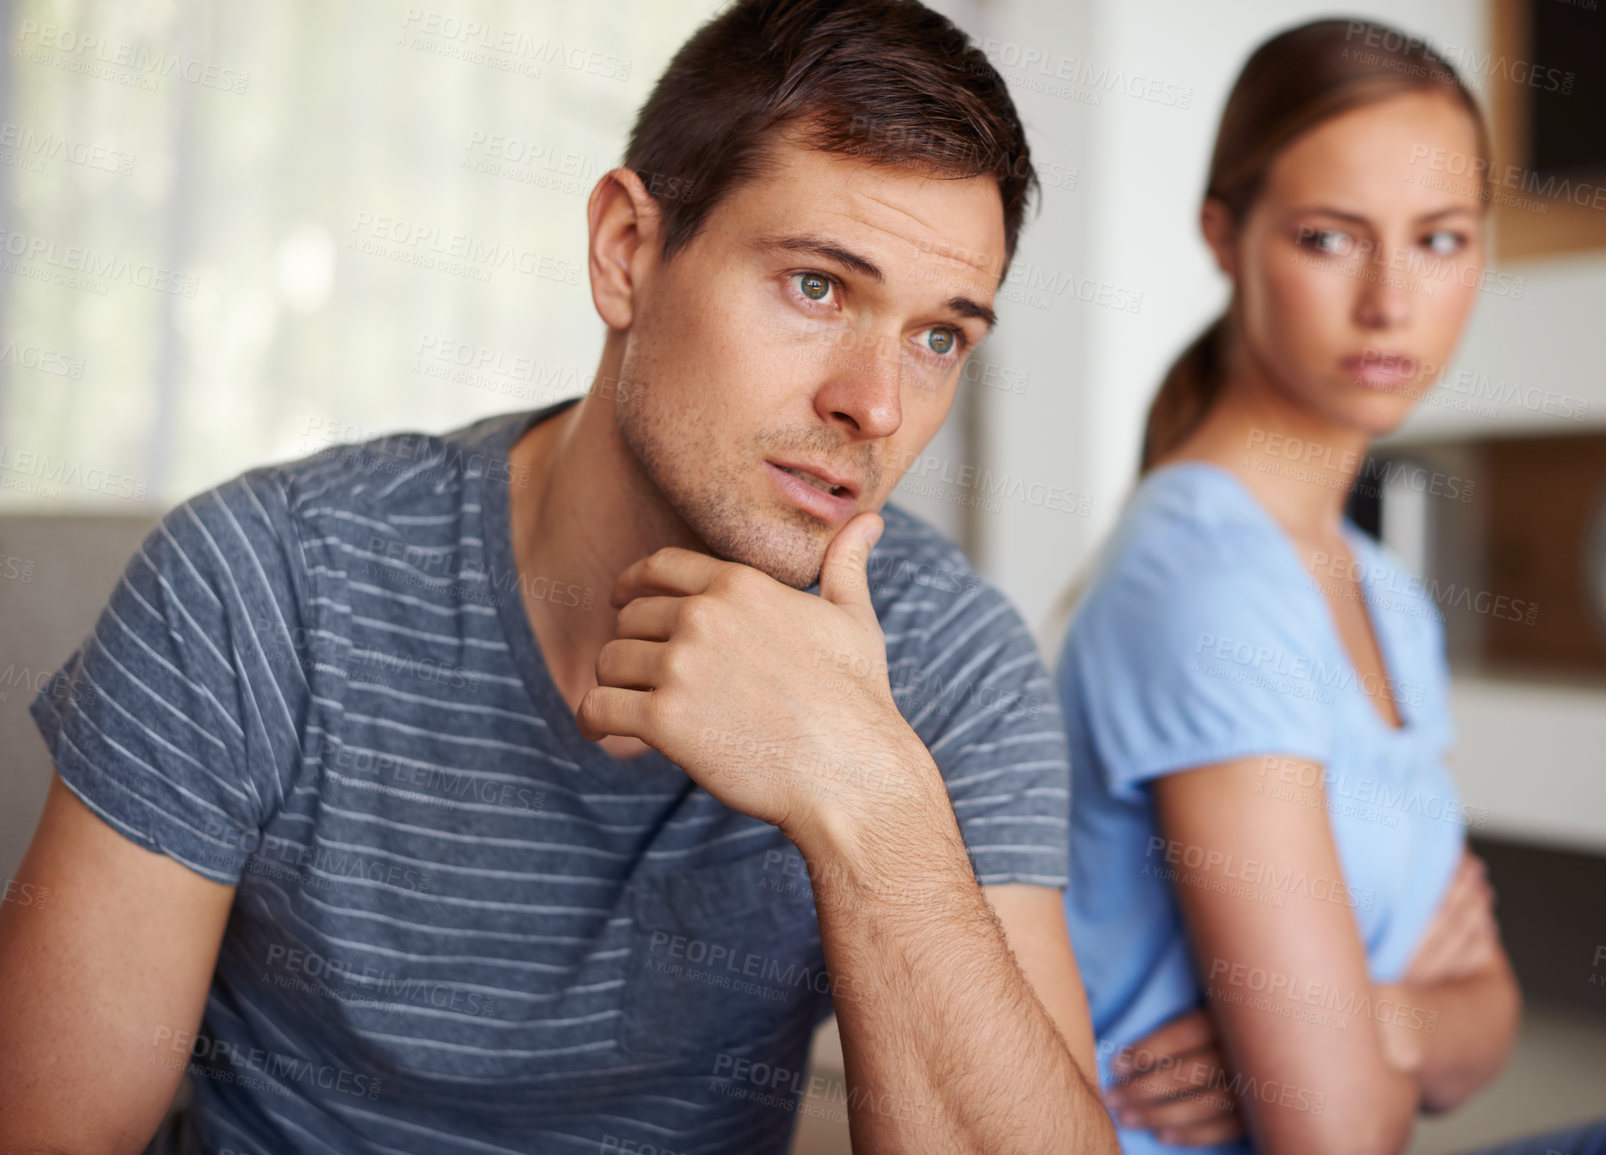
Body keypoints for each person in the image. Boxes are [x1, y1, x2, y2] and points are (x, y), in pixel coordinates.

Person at [0, 2, 1117, 1152]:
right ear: (627, 251)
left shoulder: (945, 659)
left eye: (939, 337)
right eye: (818, 288)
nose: (875, 406)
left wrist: (871, 802)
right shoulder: (262, 584)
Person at [1055, 18, 1606, 1155]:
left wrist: (1372, 1022)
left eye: (1442, 239)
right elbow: (1337, 1134)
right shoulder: (1209, 584)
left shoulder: (1384, 593)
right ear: (1224, 235)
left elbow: (1489, 1019)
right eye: (1330, 239)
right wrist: (1376, 1043)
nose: (1390, 302)